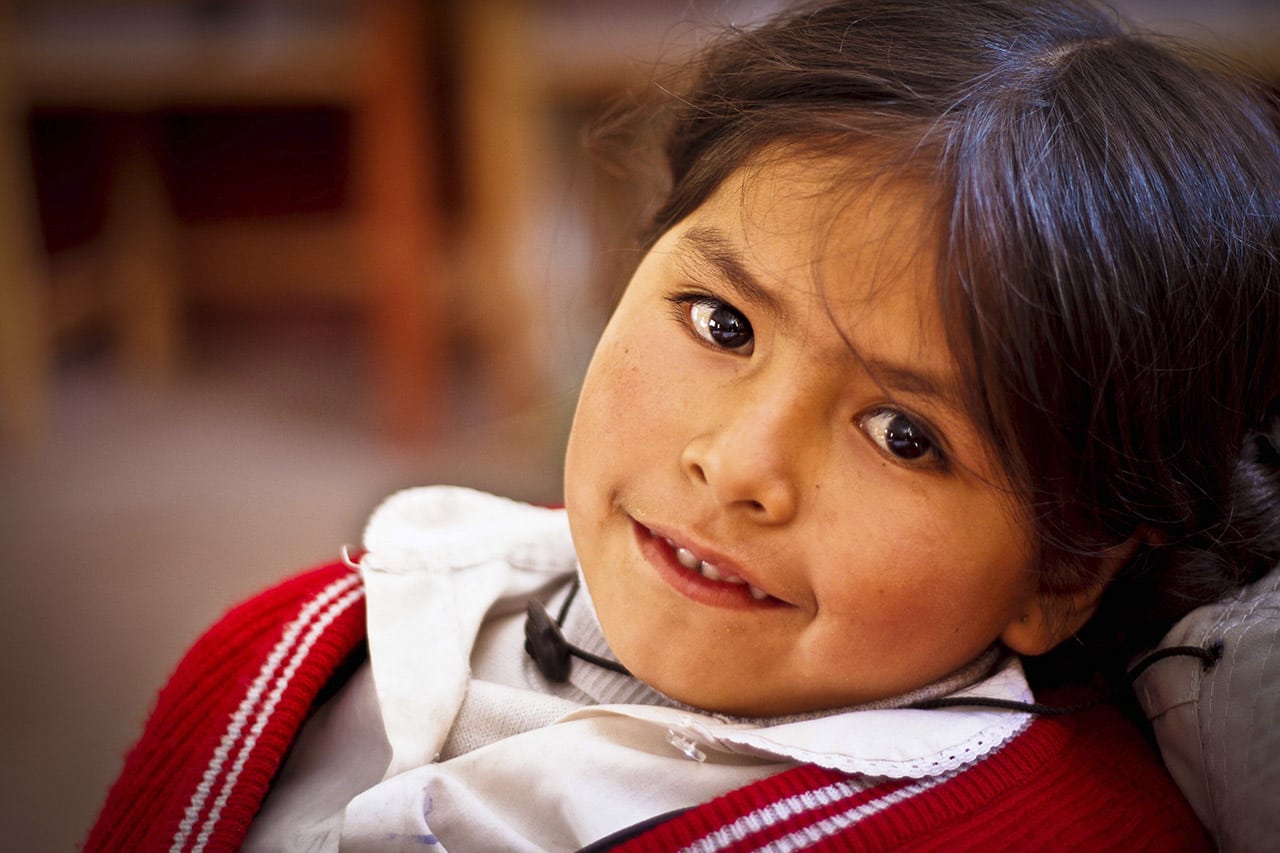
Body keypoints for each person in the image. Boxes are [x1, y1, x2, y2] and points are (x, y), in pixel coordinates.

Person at [88, 0, 1280, 849]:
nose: (736, 464)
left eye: (903, 435)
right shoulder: (311, 634)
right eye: (720, 322)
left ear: (1066, 571)